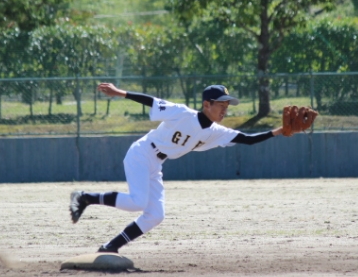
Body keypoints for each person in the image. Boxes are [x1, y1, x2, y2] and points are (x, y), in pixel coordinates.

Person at [69, 82, 317, 254]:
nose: (225, 109)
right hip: (142, 152)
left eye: (227, 105)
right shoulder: (182, 113)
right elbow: (151, 101)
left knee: (155, 215)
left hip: (156, 163)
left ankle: (111, 247)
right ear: (207, 104)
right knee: (138, 202)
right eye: (221, 104)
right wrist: (119, 93)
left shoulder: (217, 132)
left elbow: (248, 139)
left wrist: (280, 131)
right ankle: (85, 197)